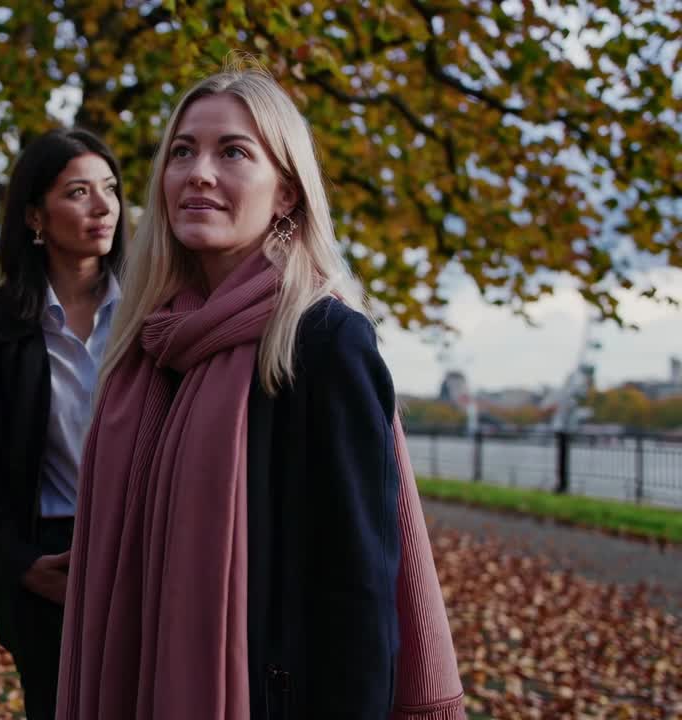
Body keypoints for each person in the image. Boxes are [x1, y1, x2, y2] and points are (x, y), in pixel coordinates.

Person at [57, 65, 465, 719]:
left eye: (234, 152)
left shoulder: (325, 342)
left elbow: (358, 594)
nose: (198, 173)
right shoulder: (151, 347)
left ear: (286, 194)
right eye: (182, 151)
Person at [0, 128, 127, 720]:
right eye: (79, 192)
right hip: (49, 561)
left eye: (110, 189)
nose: (102, 207)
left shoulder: (157, 316)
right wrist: (23, 564)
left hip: (147, 551)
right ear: (34, 216)